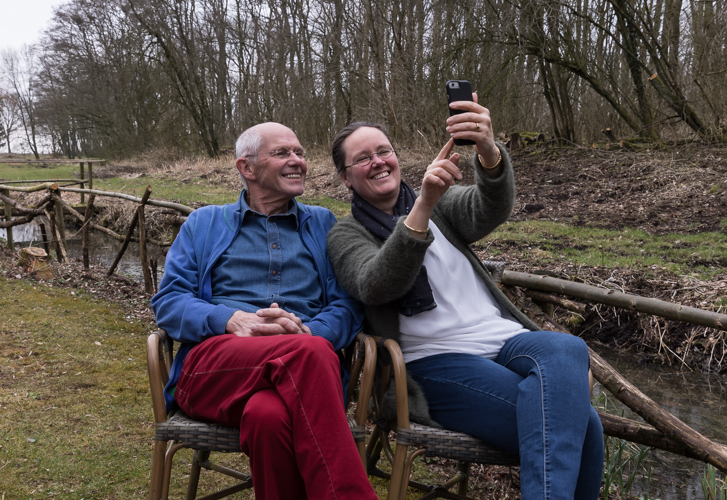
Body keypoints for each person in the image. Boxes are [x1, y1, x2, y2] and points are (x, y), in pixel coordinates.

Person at [326, 97, 604, 499]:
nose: (378, 161)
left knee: (566, 347)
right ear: (346, 178)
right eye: (363, 158)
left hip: (503, 340)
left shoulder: (443, 207)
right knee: (587, 426)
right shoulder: (346, 233)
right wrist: (422, 205)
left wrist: (488, 151)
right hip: (433, 363)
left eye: (384, 150)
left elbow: (489, 208)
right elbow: (376, 284)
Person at [151, 122, 377, 500]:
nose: (298, 161)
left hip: (305, 365)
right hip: (216, 366)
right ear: (247, 168)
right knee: (305, 356)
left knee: (267, 417)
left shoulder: (323, 223)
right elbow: (169, 301)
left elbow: (347, 305)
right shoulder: (204, 223)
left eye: (300, 153)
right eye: (283, 153)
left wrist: (309, 335)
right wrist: (230, 319)